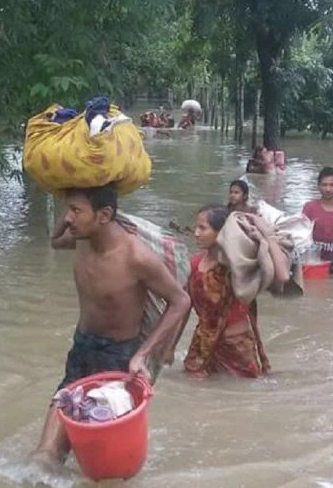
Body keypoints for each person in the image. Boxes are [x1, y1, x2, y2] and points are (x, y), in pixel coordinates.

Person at [31, 184, 191, 467]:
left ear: (104, 215)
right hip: (82, 345)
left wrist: (143, 355)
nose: (68, 218)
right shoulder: (81, 238)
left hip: (118, 356)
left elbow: (180, 301)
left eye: (76, 210)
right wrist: (69, 206)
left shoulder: (136, 256)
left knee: (105, 461)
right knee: (45, 456)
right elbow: (55, 241)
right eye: (68, 209)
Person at [181, 205, 289, 378]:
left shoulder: (240, 267)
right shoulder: (194, 264)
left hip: (237, 347)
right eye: (196, 227)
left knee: (242, 391)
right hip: (203, 344)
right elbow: (184, 308)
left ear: (221, 232)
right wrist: (169, 347)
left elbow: (282, 276)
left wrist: (268, 236)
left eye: (203, 228)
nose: (196, 233)